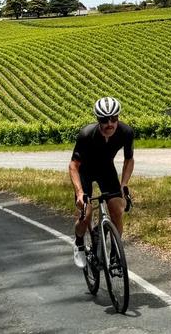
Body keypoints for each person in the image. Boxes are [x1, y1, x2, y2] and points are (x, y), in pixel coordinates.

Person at [69, 96, 135, 268]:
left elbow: (129, 160)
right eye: (104, 120)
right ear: (98, 120)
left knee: (117, 209)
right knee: (86, 213)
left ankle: (115, 252)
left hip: (106, 169)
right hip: (85, 171)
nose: (109, 124)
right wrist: (79, 193)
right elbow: (74, 165)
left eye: (114, 118)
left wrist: (124, 185)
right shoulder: (86, 135)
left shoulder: (126, 132)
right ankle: (79, 243)